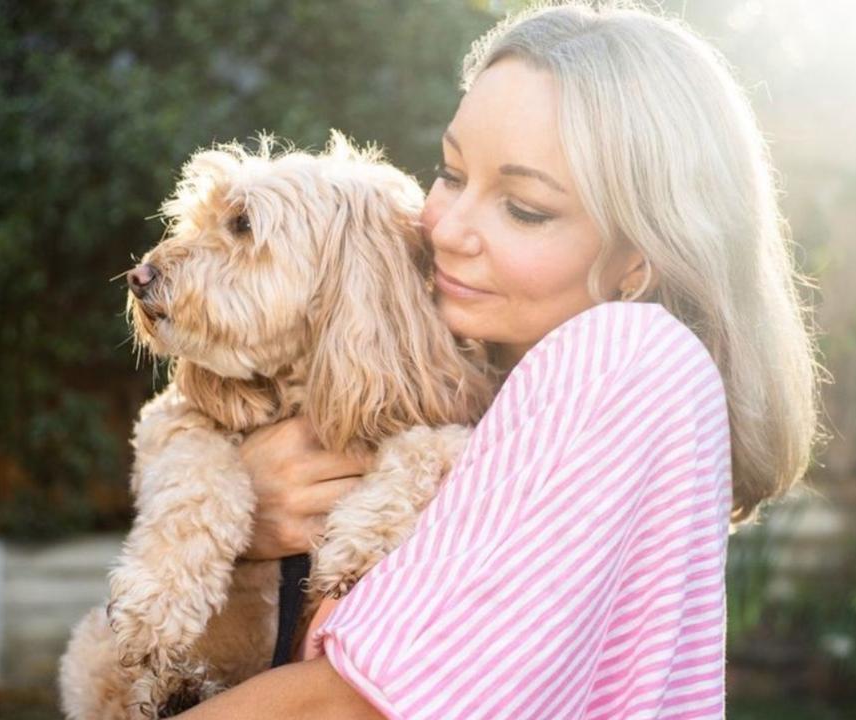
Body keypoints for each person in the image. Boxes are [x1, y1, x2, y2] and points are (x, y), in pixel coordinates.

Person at [174, 2, 821, 718]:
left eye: (525, 208)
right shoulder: (496, 408)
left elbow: (345, 708)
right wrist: (239, 530)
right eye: (450, 173)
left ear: (639, 258)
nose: (447, 229)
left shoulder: (625, 358)